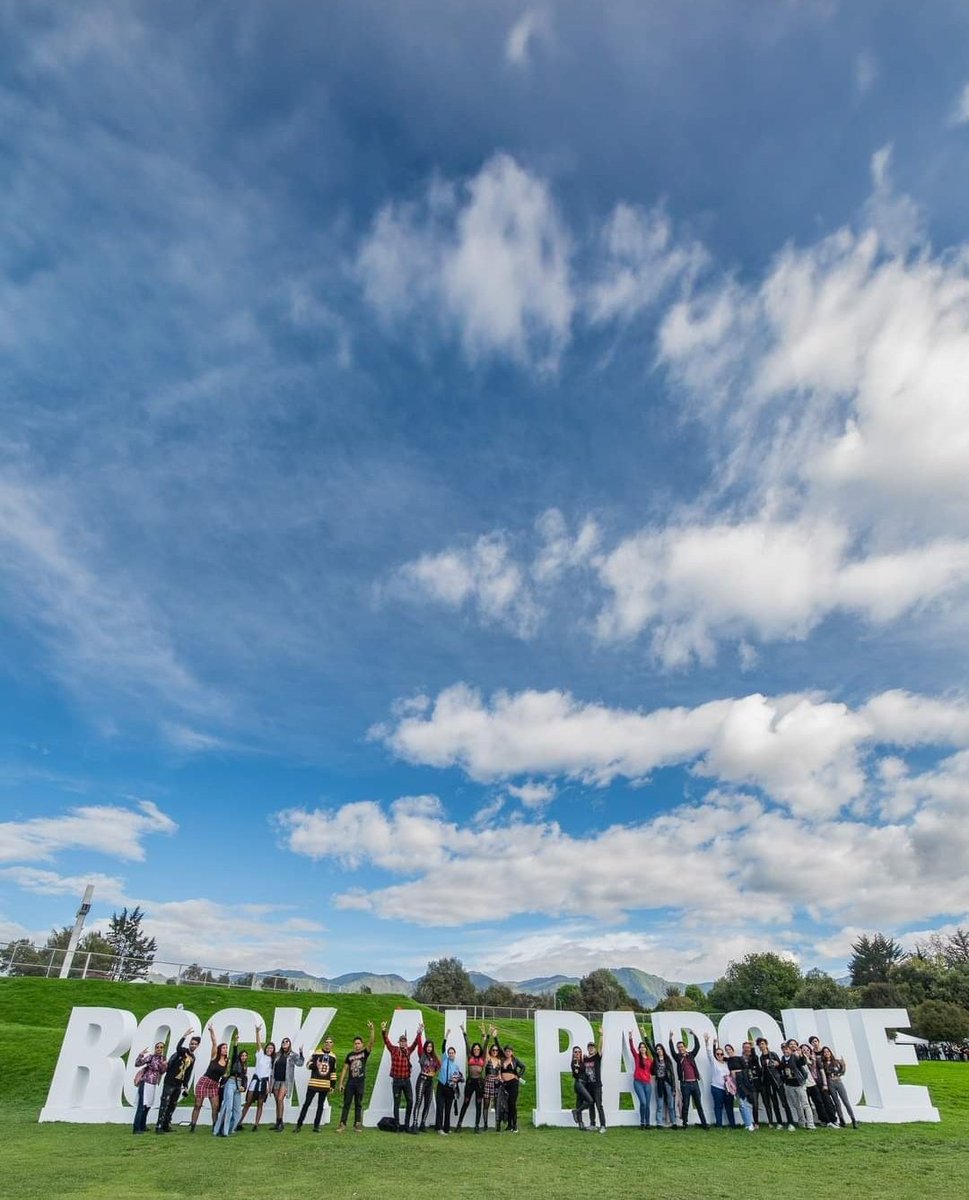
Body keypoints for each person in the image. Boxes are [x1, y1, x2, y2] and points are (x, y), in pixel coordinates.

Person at [155, 1028, 201, 1133]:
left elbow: (188, 1072)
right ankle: (159, 1126)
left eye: (195, 1044)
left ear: (197, 1046)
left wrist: (186, 1085)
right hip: (170, 1081)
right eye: (192, 1043)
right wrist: (184, 1035)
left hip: (178, 1084)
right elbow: (178, 1047)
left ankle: (166, 1125)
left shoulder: (193, 1058)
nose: (193, 1045)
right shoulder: (183, 1051)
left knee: (172, 1105)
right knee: (164, 1104)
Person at [381, 1020, 422, 1132]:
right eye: (401, 1041)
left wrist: (419, 1033)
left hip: (406, 1080)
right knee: (397, 1103)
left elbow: (415, 1044)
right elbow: (386, 1041)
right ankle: (398, 1124)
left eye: (405, 1041)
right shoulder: (393, 1050)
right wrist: (384, 1030)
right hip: (397, 1081)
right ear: (399, 1042)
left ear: (406, 1042)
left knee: (410, 1101)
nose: (403, 1043)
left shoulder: (409, 1051)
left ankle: (407, 1124)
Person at [337, 1021, 376, 1132]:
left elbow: (371, 1043)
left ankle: (357, 1124)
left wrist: (372, 1030)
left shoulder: (364, 1053)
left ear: (362, 1044)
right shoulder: (350, 1055)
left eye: (359, 1043)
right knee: (347, 1103)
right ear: (353, 1045)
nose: (357, 1045)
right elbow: (345, 1069)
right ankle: (342, 1124)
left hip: (360, 1082)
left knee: (358, 1104)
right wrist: (341, 1083)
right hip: (350, 1082)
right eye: (355, 1043)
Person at [190, 1024, 229, 1132]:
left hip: (214, 1084)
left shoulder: (227, 1061)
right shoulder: (214, 1057)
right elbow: (214, 1042)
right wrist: (211, 1031)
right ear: (220, 1049)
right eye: (224, 1048)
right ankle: (193, 1126)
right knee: (198, 1105)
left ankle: (215, 1126)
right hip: (205, 1081)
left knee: (215, 1106)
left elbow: (225, 1074)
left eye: (226, 1048)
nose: (225, 1050)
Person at [295, 1040, 337, 1132]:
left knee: (320, 1106)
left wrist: (332, 1086)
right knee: (306, 1104)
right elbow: (307, 1065)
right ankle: (299, 1125)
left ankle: (316, 1126)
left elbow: (333, 1072)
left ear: (332, 1044)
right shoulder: (316, 1053)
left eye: (330, 1042)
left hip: (325, 1085)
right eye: (326, 1042)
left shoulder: (333, 1056)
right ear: (324, 1043)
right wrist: (315, 1065)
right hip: (313, 1083)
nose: (328, 1044)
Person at [669, 1032, 708, 1129]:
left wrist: (694, 1035)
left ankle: (704, 1123)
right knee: (685, 1104)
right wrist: (670, 1039)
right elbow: (672, 1051)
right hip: (685, 1084)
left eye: (681, 1047)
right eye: (679, 1047)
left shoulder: (691, 1055)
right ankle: (684, 1123)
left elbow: (697, 1047)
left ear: (685, 1047)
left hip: (695, 1083)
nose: (680, 1048)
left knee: (698, 1104)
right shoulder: (678, 1057)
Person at [238, 1026, 273, 1131]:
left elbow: (271, 1075)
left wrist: (269, 1087)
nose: (269, 1049)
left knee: (260, 1103)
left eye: (271, 1048)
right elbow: (258, 1044)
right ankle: (238, 1122)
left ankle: (256, 1124)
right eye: (268, 1047)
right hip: (255, 1081)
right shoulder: (261, 1055)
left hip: (263, 1083)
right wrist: (257, 1032)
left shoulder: (273, 1060)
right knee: (248, 1102)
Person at [212, 1034, 247, 1136]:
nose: (244, 1057)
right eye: (242, 1055)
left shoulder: (245, 1067)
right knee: (227, 1107)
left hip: (238, 1087)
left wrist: (243, 1087)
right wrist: (236, 1042)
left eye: (245, 1056)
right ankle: (222, 1131)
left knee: (237, 1112)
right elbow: (235, 1052)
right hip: (231, 1083)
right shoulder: (235, 1062)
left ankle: (230, 1129)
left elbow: (244, 1079)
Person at [268, 1036, 304, 1132]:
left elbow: (300, 1063)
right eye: (283, 1042)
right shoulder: (277, 1055)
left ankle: (280, 1123)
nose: (285, 1043)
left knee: (280, 1099)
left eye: (287, 1042)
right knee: (277, 1102)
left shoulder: (293, 1055)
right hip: (276, 1080)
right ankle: (278, 1122)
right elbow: (272, 1067)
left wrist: (301, 1052)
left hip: (286, 1081)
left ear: (289, 1044)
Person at [132, 1039, 167, 1134]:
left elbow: (162, 1071)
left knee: (148, 1106)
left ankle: (142, 1125)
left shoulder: (163, 1059)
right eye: (157, 1047)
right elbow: (137, 1064)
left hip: (153, 1084)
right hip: (146, 1082)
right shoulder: (151, 1057)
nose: (159, 1049)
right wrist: (141, 1054)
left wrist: (164, 1066)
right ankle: (136, 1128)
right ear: (155, 1048)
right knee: (141, 1106)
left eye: (161, 1047)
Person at [756, 1037, 792, 1129]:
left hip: (778, 1081)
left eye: (763, 1044)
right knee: (775, 1103)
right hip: (768, 1083)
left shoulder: (773, 1054)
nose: (761, 1046)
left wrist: (778, 1064)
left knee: (784, 1102)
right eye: (760, 1044)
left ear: (766, 1044)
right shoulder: (761, 1057)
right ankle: (779, 1122)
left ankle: (790, 1123)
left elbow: (781, 1066)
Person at [456, 1024, 486, 1133]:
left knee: (479, 1104)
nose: (476, 1050)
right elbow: (467, 1044)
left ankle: (477, 1126)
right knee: (466, 1102)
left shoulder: (482, 1057)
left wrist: (484, 1035)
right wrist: (464, 1032)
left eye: (478, 1049)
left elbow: (485, 1046)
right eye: (475, 1049)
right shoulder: (470, 1056)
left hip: (479, 1083)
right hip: (470, 1082)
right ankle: (459, 1124)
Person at [820, 1046, 857, 1129]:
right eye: (825, 1052)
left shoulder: (836, 1061)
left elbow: (842, 1072)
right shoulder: (823, 1063)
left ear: (830, 1052)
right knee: (836, 1102)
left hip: (838, 1082)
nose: (827, 1053)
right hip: (830, 1083)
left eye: (828, 1051)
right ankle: (841, 1119)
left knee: (846, 1101)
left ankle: (853, 1119)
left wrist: (844, 1066)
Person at [780, 1040, 814, 1130]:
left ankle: (810, 1124)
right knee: (796, 1105)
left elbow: (802, 1063)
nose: (785, 1051)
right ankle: (802, 1122)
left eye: (787, 1049)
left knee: (805, 1104)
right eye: (783, 1049)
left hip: (799, 1083)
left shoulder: (795, 1056)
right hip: (790, 1085)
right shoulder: (783, 1058)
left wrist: (801, 1055)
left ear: (790, 1049)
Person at [704, 1035, 736, 1128]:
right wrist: (707, 1042)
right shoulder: (714, 1062)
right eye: (717, 1054)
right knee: (718, 1107)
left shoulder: (727, 1063)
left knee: (729, 1107)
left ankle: (732, 1124)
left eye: (721, 1054)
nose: (719, 1056)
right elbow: (709, 1053)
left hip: (727, 1089)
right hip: (717, 1088)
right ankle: (719, 1124)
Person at [434, 1032, 463, 1135]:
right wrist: (445, 1037)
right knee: (440, 1107)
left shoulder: (456, 1066)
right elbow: (443, 1047)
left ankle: (446, 1128)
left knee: (448, 1109)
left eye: (452, 1053)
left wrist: (457, 1080)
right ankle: (439, 1128)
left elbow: (461, 1077)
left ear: (455, 1054)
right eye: (449, 1052)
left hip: (450, 1089)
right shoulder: (444, 1059)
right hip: (441, 1086)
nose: (450, 1054)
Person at [496, 1034, 526, 1133]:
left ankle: (515, 1125)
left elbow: (523, 1067)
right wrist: (495, 1037)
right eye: (506, 1051)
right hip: (505, 1084)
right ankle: (509, 1125)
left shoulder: (515, 1060)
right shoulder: (502, 1059)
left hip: (513, 1084)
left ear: (512, 1052)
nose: (507, 1053)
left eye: (509, 1051)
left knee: (512, 1104)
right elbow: (499, 1047)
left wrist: (519, 1075)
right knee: (507, 1104)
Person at [647, 1038, 677, 1128]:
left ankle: (674, 1122)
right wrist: (645, 1036)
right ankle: (659, 1123)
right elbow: (650, 1046)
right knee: (659, 1104)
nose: (658, 1050)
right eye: (657, 1049)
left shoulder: (668, 1060)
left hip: (668, 1083)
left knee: (671, 1104)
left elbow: (672, 1074)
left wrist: (674, 1088)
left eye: (660, 1049)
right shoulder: (656, 1059)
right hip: (658, 1083)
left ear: (663, 1050)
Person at [415, 1029, 440, 1131]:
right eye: (428, 1046)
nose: (429, 1048)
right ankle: (415, 1123)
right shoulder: (422, 1054)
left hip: (430, 1081)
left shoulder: (434, 1057)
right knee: (419, 1101)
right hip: (422, 1079)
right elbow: (419, 1045)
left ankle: (423, 1123)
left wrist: (433, 1072)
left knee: (428, 1103)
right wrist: (419, 1034)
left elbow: (438, 1065)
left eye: (431, 1047)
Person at [628, 1027, 654, 1129]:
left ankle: (647, 1123)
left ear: (646, 1049)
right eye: (641, 1047)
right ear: (639, 1049)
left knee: (647, 1104)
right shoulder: (637, 1056)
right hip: (638, 1082)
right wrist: (630, 1037)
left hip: (647, 1083)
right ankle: (642, 1122)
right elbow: (631, 1048)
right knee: (642, 1102)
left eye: (644, 1047)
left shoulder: (650, 1059)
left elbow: (652, 1071)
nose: (642, 1048)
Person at [582, 1032, 607, 1133]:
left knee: (599, 1105)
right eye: (589, 1047)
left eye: (593, 1047)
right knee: (591, 1104)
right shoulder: (585, 1059)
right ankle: (593, 1124)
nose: (591, 1048)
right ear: (587, 1049)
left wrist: (601, 1036)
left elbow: (600, 1048)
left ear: (595, 1049)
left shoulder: (597, 1057)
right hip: (588, 1086)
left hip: (596, 1085)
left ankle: (603, 1126)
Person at [569, 1045, 594, 1130]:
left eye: (579, 1052)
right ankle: (576, 1111)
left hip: (584, 1084)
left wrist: (585, 1059)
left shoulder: (582, 1061)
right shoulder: (574, 1062)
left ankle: (580, 1125)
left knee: (579, 1103)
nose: (577, 1053)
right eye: (576, 1052)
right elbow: (575, 1075)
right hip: (579, 1084)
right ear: (573, 1053)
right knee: (590, 1101)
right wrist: (576, 1068)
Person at [482, 1035, 502, 1131]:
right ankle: (485, 1125)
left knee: (497, 1103)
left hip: (496, 1082)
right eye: (493, 1050)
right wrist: (484, 1038)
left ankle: (498, 1125)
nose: (495, 1051)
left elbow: (499, 1073)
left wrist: (500, 1079)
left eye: (496, 1050)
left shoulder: (499, 1061)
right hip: (488, 1081)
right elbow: (485, 1049)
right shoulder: (488, 1058)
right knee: (486, 1103)